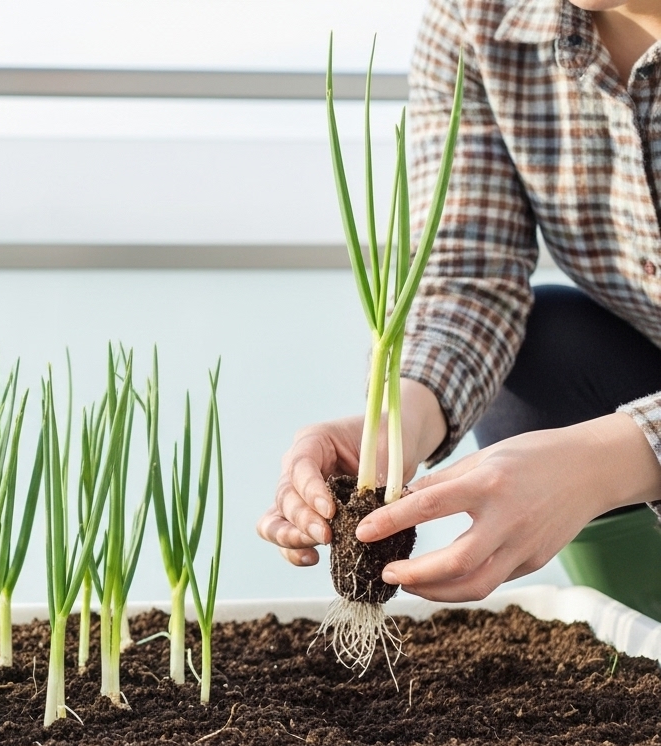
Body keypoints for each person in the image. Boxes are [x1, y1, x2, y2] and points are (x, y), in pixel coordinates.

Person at [258, 0, 661, 604]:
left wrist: (598, 464)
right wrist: (400, 425)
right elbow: (473, 281)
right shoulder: (480, 17)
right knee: (540, 355)